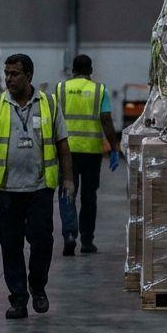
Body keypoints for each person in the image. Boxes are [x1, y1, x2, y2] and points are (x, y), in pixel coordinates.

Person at [0, 54, 76, 320]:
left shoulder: (49, 103)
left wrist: (68, 179)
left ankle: (37, 286)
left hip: (40, 187)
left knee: (42, 241)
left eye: (15, 74)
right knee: (10, 245)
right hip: (6, 189)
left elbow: (63, 144)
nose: (9, 79)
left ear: (29, 76)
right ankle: (18, 298)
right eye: (6, 73)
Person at [56, 54, 122, 256]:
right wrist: (114, 147)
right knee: (88, 195)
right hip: (92, 151)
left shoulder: (61, 89)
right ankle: (86, 240)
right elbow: (106, 120)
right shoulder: (99, 90)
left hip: (67, 150)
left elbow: (54, 119)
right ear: (91, 70)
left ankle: (69, 235)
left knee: (67, 192)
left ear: (72, 70)